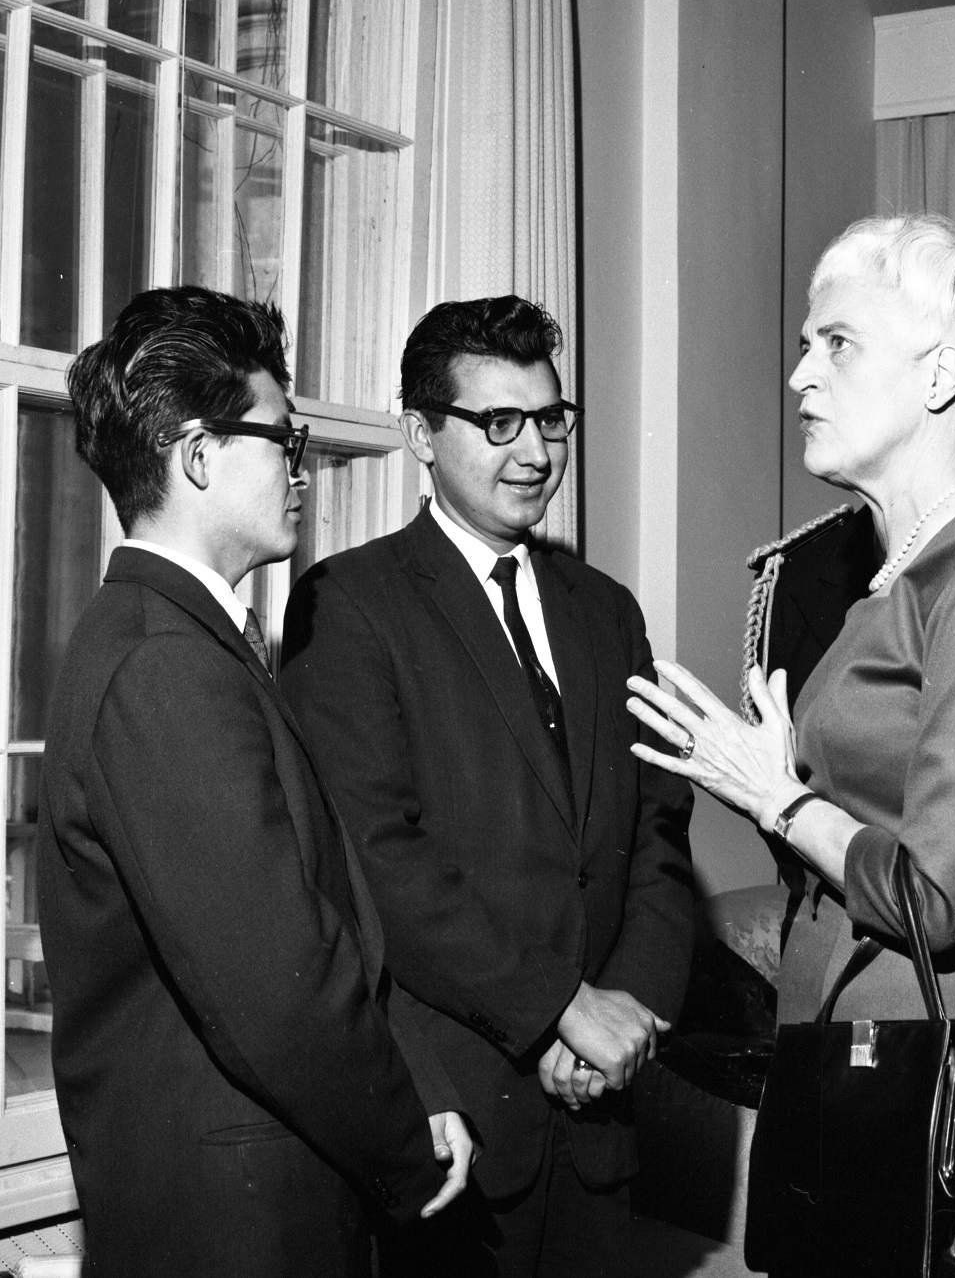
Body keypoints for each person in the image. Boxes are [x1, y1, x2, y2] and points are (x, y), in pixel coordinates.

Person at [628, 215, 955, 1278]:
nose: (798, 375)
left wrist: (778, 798)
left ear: (941, 375)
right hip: (852, 1015)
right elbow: (873, 805)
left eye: (836, 343)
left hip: (950, 1026)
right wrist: (768, 778)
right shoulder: (906, 570)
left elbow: (940, 893)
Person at [38, 286, 473, 1277]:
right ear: (197, 455)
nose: (300, 470)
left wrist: (417, 1077)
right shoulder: (163, 665)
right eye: (285, 438)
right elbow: (279, 989)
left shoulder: (177, 641)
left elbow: (315, 921)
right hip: (239, 1228)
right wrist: (407, 1146)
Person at [281, 294, 696, 1278]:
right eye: (496, 422)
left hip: (600, 1128)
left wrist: (616, 1022)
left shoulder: (607, 611)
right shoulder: (351, 603)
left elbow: (659, 837)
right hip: (457, 1132)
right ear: (421, 434)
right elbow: (376, 859)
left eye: (550, 419)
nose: (535, 451)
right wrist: (560, 1005)